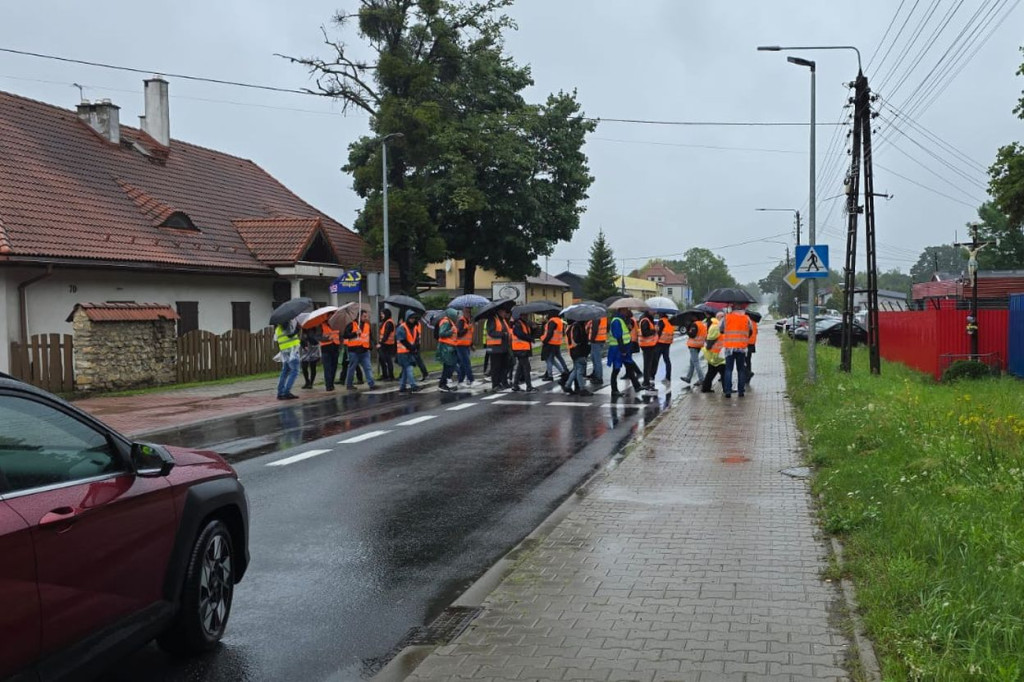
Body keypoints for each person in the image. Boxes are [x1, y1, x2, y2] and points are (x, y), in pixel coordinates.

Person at [606, 309, 643, 398]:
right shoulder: (616, 321)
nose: (627, 311)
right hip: (618, 349)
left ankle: (637, 386)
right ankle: (614, 390)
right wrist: (623, 350)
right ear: (621, 310)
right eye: (626, 310)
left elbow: (626, 333)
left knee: (629, 367)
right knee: (616, 369)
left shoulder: (623, 320)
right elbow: (619, 337)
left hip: (624, 348)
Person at [720, 305, 752, 398]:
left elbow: (720, 329)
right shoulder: (746, 318)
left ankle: (728, 391)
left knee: (728, 369)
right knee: (741, 370)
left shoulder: (726, 317)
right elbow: (750, 331)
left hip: (729, 348)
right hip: (741, 348)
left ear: (732, 309)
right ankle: (741, 391)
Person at [343, 309, 377, 391]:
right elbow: (345, 335)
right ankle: (349, 384)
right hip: (354, 351)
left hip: (364, 350)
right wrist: (355, 333)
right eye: (364, 316)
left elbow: (370, 337)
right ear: (359, 316)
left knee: (368, 367)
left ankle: (371, 384)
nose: (366, 318)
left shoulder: (367, 325)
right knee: (352, 368)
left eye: (367, 316)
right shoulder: (351, 325)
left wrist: (374, 344)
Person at [395, 310, 423, 393]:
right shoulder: (402, 327)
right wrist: (411, 347)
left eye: (414, 318)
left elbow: (416, 338)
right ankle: (413, 385)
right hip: (403, 352)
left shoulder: (414, 327)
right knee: (409, 368)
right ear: (407, 318)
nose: (413, 320)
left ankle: (402, 386)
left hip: (409, 351)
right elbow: (402, 340)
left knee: (405, 370)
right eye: (411, 318)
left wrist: (415, 346)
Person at [510, 312, 538, 392]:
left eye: (527, 315)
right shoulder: (518, 324)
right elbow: (520, 335)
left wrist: (534, 328)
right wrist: (530, 339)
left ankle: (515, 385)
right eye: (525, 315)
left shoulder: (525, 323)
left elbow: (530, 334)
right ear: (520, 315)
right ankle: (529, 386)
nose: (526, 316)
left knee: (520, 367)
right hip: (520, 348)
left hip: (523, 348)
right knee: (526, 368)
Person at [274, 319, 301, 400]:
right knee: (295, 371)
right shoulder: (285, 324)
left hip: (284, 351)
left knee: (285, 371)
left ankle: (280, 393)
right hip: (291, 351)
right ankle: (286, 392)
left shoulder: (278, 328)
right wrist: (298, 329)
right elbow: (290, 335)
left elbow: (276, 339)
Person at [564, 320, 593, 396]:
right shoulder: (578, 326)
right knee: (580, 371)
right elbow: (578, 340)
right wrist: (585, 338)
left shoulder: (572, 326)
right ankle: (582, 389)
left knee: (576, 370)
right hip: (579, 351)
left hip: (574, 351)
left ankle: (567, 385)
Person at [487, 307, 512, 391]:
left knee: (505, 365)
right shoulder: (493, 319)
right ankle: (495, 384)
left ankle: (503, 382)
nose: (505, 313)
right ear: (499, 311)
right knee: (496, 367)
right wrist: (502, 334)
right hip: (495, 348)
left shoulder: (502, 320)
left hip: (503, 347)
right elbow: (491, 332)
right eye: (503, 311)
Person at [700, 314, 726, 393]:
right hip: (717, 354)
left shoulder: (716, 325)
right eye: (722, 317)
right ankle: (727, 389)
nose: (724, 318)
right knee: (724, 372)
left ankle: (706, 388)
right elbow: (711, 340)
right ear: (718, 317)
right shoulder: (716, 326)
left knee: (711, 372)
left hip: (715, 353)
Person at [540, 312, 569, 381]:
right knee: (553, 359)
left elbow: (549, 333)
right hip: (557, 343)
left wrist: (544, 341)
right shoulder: (559, 321)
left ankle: (550, 375)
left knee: (549, 359)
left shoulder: (552, 321)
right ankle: (563, 371)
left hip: (550, 343)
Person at [681, 314, 708, 387]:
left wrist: (687, 330)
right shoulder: (702, 324)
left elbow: (692, 334)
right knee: (692, 362)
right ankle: (688, 378)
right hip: (699, 345)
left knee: (696, 362)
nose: (691, 317)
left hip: (693, 345)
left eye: (692, 316)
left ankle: (702, 379)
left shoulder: (695, 324)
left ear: (695, 317)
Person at [436, 308, 460, 391]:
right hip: (446, 347)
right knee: (449, 366)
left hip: (450, 347)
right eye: (456, 315)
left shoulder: (450, 322)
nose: (457, 317)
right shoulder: (446, 322)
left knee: (450, 366)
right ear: (452, 314)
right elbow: (441, 333)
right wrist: (451, 331)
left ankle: (443, 383)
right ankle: (442, 384)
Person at [637, 310, 659, 389]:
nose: (654, 312)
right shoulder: (645, 320)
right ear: (648, 311)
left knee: (651, 363)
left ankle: (648, 380)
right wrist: (654, 330)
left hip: (651, 345)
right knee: (647, 364)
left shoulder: (649, 319)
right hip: (646, 345)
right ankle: (646, 382)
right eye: (653, 311)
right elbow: (645, 333)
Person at [455, 307, 475, 387]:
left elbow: (469, 335)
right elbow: (459, 334)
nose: (468, 314)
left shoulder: (468, 321)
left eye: (469, 312)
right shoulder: (461, 321)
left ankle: (460, 380)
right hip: (460, 345)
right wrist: (467, 328)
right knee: (467, 363)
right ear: (463, 312)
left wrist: (471, 344)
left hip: (466, 345)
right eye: (466, 312)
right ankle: (471, 379)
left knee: (463, 364)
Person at [319, 320, 341, 391]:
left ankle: (331, 383)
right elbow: (318, 337)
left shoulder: (336, 325)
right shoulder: (321, 326)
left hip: (335, 348)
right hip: (326, 349)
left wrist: (340, 343)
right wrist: (327, 338)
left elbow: (340, 335)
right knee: (327, 368)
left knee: (334, 368)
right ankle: (328, 385)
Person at [586, 314, 607, 385]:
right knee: (594, 358)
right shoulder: (603, 317)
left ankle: (599, 377)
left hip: (596, 341)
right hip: (601, 340)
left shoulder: (596, 318)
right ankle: (595, 373)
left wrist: (591, 340)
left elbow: (595, 329)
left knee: (597, 360)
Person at [299, 324, 322, 389]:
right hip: (306, 348)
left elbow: (316, 339)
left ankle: (311, 383)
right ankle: (307, 381)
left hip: (314, 347)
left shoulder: (316, 328)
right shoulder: (303, 329)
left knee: (313, 366)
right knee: (304, 365)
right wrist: (304, 345)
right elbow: (301, 339)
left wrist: (309, 337)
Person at [378, 309, 396, 381]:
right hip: (386, 344)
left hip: (387, 344)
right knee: (382, 359)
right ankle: (385, 375)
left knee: (388, 360)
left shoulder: (389, 323)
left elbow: (386, 334)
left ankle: (390, 376)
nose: (381, 315)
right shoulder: (385, 322)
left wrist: (380, 343)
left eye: (382, 314)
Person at [656, 312, 675, 383]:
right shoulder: (669, 321)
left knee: (656, 360)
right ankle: (668, 377)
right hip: (667, 343)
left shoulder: (661, 321)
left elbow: (658, 332)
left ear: (661, 315)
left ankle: (651, 377)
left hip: (660, 342)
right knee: (667, 360)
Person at [744, 312, 758, 386]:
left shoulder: (747, 322)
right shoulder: (754, 323)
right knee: (748, 360)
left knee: (743, 360)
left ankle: (748, 374)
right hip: (752, 344)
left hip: (746, 343)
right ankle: (748, 374)